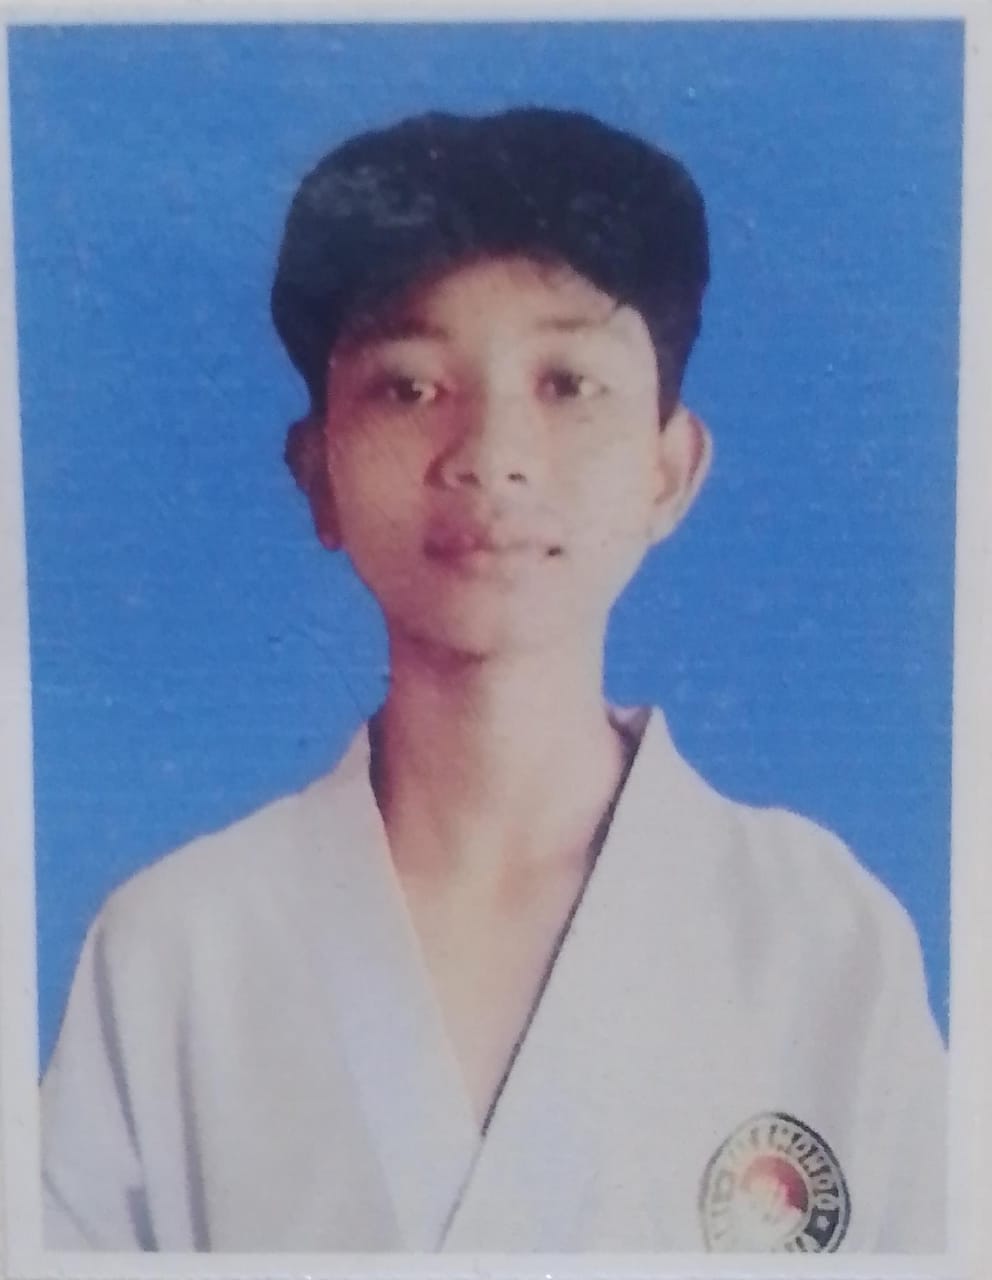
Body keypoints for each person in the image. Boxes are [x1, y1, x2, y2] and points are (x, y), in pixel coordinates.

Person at [40, 106, 946, 1255]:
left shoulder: (822, 938)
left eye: (566, 382)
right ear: (316, 472)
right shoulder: (175, 951)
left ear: (669, 469)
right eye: (408, 386)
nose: (490, 454)